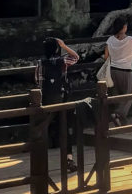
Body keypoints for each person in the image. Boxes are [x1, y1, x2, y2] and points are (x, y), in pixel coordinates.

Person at [35, 36, 79, 173]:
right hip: (62, 100)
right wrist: (64, 45)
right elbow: (76, 57)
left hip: (46, 101)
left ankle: (39, 163)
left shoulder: (40, 63)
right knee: (65, 129)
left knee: (43, 129)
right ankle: (69, 160)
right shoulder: (62, 61)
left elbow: (38, 82)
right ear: (56, 49)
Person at [104, 17, 132, 125]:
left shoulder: (110, 40)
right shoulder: (130, 40)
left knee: (116, 95)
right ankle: (118, 114)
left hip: (112, 71)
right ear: (124, 27)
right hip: (126, 71)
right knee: (130, 94)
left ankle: (120, 119)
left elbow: (106, 56)